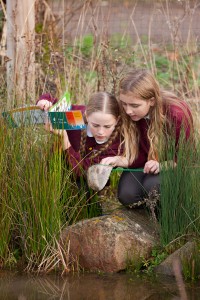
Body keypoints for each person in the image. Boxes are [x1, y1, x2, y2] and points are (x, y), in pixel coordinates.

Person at [102, 69, 194, 207]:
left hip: (172, 166)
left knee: (152, 187)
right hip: (144, 164)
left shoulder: (175, 114)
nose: (128, 111)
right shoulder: (128, 113)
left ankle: (166, 215)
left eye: (134, 105)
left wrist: (162, 165)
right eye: (124, 103)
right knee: (127, 195)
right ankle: (146, 213)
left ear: (151, 101)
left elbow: (186, 158)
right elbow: (135, 150)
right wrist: (120, 159)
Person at [36, 91, 126, 179]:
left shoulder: (117, 144)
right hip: (58, 170)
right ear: (87, 116)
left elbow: (82, 172)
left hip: (88, 180)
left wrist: (65, 138)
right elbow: (52, 101)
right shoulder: (76, 117)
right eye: (95, 125)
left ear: (117, 120)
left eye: (107, 126)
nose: (101, 132)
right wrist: (44, 102)